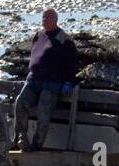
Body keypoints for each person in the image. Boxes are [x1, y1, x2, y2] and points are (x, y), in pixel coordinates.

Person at [14, 9, 80, 151]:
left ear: (55, 20)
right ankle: (21, 139)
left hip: (52, 83)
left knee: (43, 112)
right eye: (43, 18)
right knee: (20, 103)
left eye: (47, 18)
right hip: (33, 80)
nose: (44, 20)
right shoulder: (39, 35)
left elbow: (72, 64)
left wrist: (68, 82)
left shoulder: (64, 40)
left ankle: (37, 145)